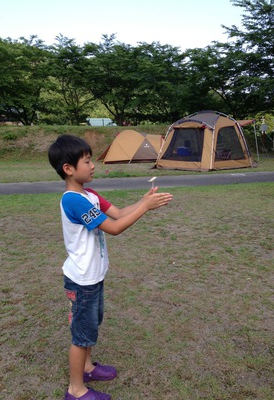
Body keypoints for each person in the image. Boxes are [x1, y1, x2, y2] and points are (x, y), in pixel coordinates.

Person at [48, 134, 173, 400]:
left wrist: (143, 202)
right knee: (81, 335)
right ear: (68, 169)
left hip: (93, 277)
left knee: (90, 326)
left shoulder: (89, 194)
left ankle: (87, 367)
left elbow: (118, 212)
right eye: (87, 161)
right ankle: (76, 390)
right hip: (81, 280)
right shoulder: (74, 200)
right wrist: (146, 208)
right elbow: (115, 228)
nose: (93, 166)